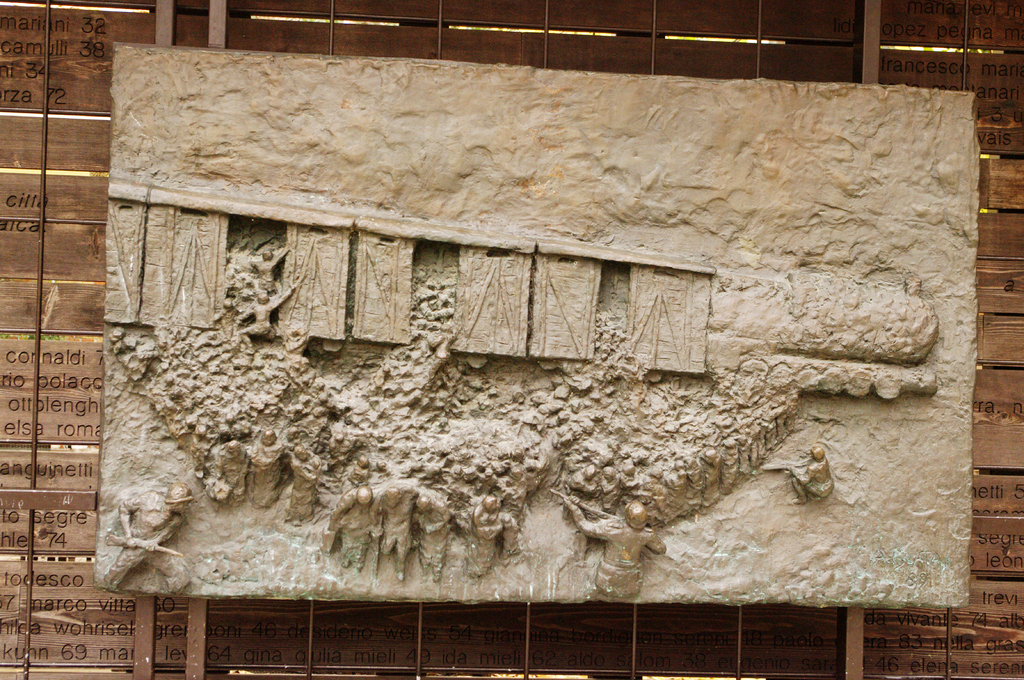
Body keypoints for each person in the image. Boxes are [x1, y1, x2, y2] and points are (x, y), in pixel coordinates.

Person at [560, 496, 666, 599]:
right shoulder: (647, 535)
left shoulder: (613, 530)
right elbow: (661, 549)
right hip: (631, 583)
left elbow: (585, 527)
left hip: (606, 580)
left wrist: (575, 509)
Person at [104, 483, 194, 589]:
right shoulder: (150, 499)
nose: (186, 506)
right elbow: (124, 508)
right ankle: (108, 584)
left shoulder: (177, 518)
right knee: (117, 570)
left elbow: (165, 534)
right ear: (175, 503)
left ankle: (175, 591)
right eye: (185, 503)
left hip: (153, 550)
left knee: (177, 576)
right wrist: (128, 536)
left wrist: (154, 542)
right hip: (134, 548)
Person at [322, 486, 379, 570]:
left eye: (367, 501)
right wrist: (332, 526)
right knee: (348, 543)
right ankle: (346, 559)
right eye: (362, 501)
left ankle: (358, 560)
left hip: (363, 522)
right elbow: (337, 512)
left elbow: (372, 512)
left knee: (362, 542)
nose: (365, 503)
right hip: (349, 523)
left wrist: (374, 524)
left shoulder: (373, 497)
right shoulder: (348, 499)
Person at [249, 429, 284, 508]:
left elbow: (279, 456)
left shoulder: (279, 446)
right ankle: (257, 502)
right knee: (259, 486)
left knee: (271, 486)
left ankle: (268, 502)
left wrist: (272, 461)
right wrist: (266, 462)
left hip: (273, 471)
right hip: (260, 472)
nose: (267, 440)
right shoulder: (258, 446)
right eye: (265, 437)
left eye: (269, 438)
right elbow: (254, 458)